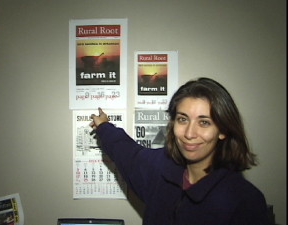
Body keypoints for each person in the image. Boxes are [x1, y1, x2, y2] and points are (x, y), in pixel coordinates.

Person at [90, 77, 270, 225]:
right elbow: (127, 152)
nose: (189, 134)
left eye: (204, 122)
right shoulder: (160, 169)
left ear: (223, 130)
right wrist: (104, 126)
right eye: (183, 119)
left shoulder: (245, 200)